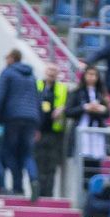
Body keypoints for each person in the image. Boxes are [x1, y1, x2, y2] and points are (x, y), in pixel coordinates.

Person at [0, 49, 40, 200]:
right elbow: (37, 99)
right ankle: (33, 179)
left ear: (12, 58)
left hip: (13, 117)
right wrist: (37, 124)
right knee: (27, 153)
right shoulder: (31, 75)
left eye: (6, 57)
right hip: (31, 118)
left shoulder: (7, 73)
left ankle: (17, 187)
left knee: (10, 152)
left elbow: (0, 97)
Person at [66, 66, 109, 184]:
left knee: (95, 165)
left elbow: (107, 113)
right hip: (82, 131)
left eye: (94, 75)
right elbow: (68, 111)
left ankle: (93, 190)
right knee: (82, 164)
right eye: (89, 74)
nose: (92, 77)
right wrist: (85, 107)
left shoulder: (101, 94)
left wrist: (101, 109)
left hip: (96, 133)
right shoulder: (76, 92)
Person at [35, 64, 68, 198]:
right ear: (45, 71)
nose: (52, 73)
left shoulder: (62, 88)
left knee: (51, 165)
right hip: (38, 132)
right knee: (38, 163)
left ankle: (48, 194)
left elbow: (69, 104)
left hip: (55, 133)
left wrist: (62, 109)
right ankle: (37, 193)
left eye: (55, 70)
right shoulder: (37, 85)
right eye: (50, 69)